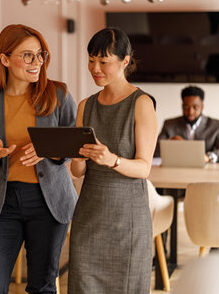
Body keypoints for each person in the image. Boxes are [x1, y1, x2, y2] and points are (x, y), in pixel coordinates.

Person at [0, 24, 77, 294]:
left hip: (48, 202)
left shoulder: (58, 94)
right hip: (3, 203)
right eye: (27, 55)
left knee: (42, 286)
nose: (37, 62)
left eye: (40, 54)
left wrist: (47, 148)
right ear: (4, 59)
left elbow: (75, 143)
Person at [68, 27, 158, 294]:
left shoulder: (141, 103)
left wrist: (112, 160)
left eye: (103, 61)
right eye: (91, 60)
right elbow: (77, 171)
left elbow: (144, 168)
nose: (95, 68)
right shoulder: (86, 105)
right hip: (89, 215)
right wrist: (79, 156)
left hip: (126, 219)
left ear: (125, 61)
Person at [155, 85, 219, 163]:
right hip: (177, 169)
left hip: (206, 171)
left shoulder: (217, 126)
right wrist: (169, 142)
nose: (190, 112)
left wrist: (208, 157)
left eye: (195, 107)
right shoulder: (169, 124)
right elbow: (154, 151)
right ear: (182, 106)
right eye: (186, 107)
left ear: (202, 106)